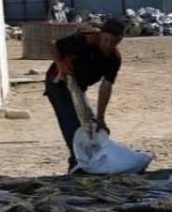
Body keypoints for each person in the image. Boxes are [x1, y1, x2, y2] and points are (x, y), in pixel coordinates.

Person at [44, 19, 124, 172]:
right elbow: (52, 44)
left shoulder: (114, 58)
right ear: (100, 35)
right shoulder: (84, 41)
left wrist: (101, 118)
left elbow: (106, 87)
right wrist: (60, 63)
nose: (107, 45)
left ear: (119, 41)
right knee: (74, 127)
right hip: (59, 85)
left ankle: (92, 162)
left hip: (78, 89)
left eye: (113, 42)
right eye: (105, 40)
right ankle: (76, 165)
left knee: (91, 124)